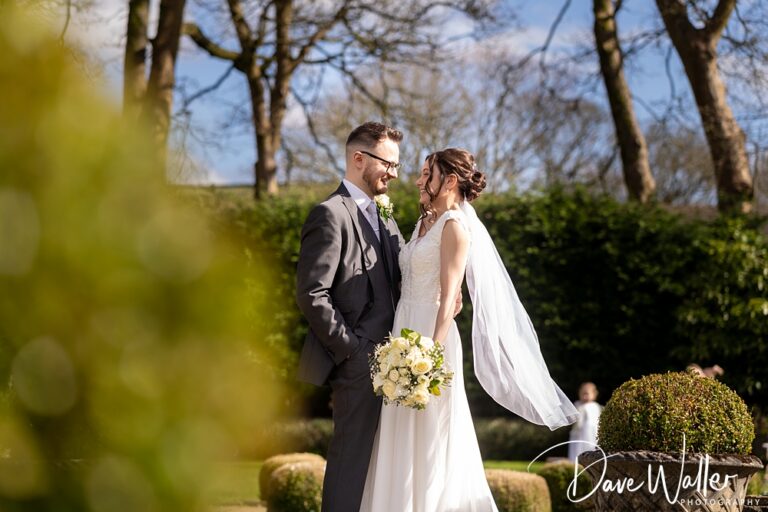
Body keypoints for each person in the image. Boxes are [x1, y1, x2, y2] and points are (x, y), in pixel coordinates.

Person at [360, 148, 578, 512]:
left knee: (430, 437)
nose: (417, 180)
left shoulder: (455, 227)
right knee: (397, 430)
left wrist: (428, 354)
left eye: (426, 173)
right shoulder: (424, 223)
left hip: (430, 341)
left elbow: (448, 300)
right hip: (403, 328)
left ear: (448, 181)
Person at [295, 122, 405, 512]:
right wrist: (352, 350)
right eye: (388, 163)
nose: (394, 173)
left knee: (385, 468)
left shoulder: (386, 217)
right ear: (359, 158)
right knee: (351, 464)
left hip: (397, 366)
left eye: (396, 164)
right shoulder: (329, 214)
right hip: (357, 363)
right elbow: (312, 292)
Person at [568, 382, 603, 463]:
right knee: (577, 448)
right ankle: (576, 462)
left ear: (594, 394)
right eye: (583, 394)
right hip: (579, 433)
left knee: (591, 447)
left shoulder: (595, 406)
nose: (584, 396)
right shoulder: (577, 404)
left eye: (587, 394)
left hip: (592, 433)